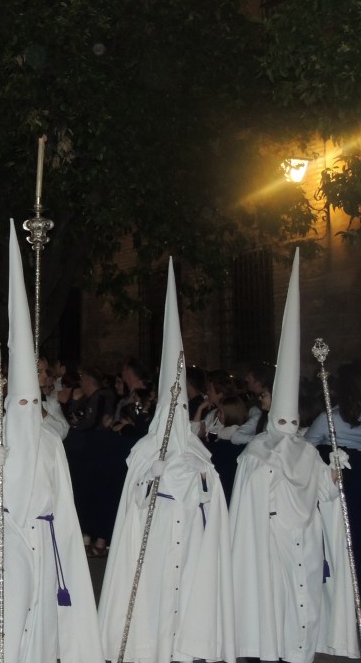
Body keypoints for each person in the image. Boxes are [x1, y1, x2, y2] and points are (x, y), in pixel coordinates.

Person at [0, 221, 102, 663]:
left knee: (40, 623)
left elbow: (63, 502)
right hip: (5, 539)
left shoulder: (51, 441)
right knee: (7, 623)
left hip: (43, 539)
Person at [99, 259, 235, 663]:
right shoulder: (144, 451)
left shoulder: (199, 455)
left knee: (187, 596)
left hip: (190, 538)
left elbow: (215, 504)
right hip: (155, 537)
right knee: (153, 599)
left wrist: (204, 479)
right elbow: (133, 502)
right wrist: (147, 479)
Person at [229, 250, 358, 663]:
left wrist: (336, 476)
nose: (285, 427)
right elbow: (245, 515)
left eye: (291, 419)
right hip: (271, 542)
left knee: (307, 604)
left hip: (307, 539)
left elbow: (327, 497)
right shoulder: (255, 453)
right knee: (280, 603)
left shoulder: (308, 452)